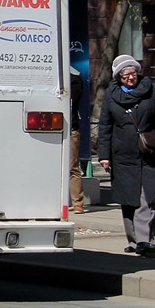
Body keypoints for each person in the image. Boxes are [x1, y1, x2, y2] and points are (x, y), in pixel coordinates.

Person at [97, 54, 155, 257]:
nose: (131, 77)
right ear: (119, 76)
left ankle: (146, 241)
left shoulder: (151, 91)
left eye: (133, 73)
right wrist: (104, 155)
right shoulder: (111, 94)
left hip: (151, 153)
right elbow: (105, 126)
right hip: (122, 155)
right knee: (128, 199)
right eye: (126, 75)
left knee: (148, 197)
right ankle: (133, 240)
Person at [69, 68, 85, 214]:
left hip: (71, 128)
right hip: (68, 127)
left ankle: (78, 202)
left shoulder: (74, 77)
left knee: (73, 167)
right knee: (73, 167)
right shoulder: (75, 76)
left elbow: (73, 101)